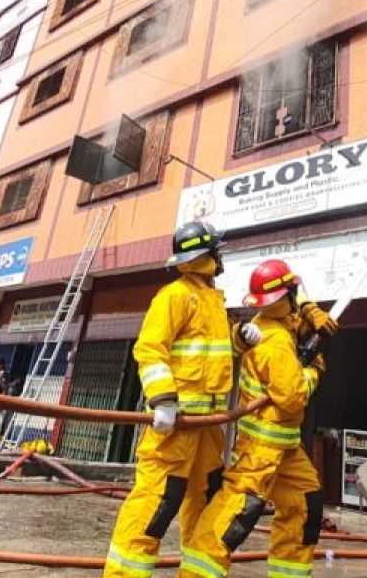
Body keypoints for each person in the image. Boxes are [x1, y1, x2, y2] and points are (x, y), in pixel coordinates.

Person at [104, 222, 260, 578]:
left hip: (208, 429)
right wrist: (162, 401)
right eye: (216, 250)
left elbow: (211, 355)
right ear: (206, 254)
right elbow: (149, 349)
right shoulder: (174, 296)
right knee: (155, 506)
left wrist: (240, 340)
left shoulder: (211, 299)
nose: (221, 256)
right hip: (177, 429)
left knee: (204, 508)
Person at [178, 259, 338, 578]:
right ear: (285, 296)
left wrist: (307, 311)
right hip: (262, 448)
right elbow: (292, 398)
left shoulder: (272, 322)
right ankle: (196, 573)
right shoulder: (275, 342)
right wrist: (313, 370)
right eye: (293, 294)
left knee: (304, 505)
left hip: (287, 449)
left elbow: (291, 313)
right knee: (235, 514)